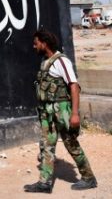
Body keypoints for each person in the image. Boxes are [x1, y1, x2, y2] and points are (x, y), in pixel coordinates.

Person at [24, 29, 97, 193]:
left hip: (62, 111)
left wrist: (75, 114)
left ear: (44, 43)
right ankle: (45, 183)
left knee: (71, 144)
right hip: (47, 113)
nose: (34, 46)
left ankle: (89, 178)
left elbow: (74, 86)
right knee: (46, 145)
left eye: (36, 43)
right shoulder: (45, 61)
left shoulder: (61, 61)